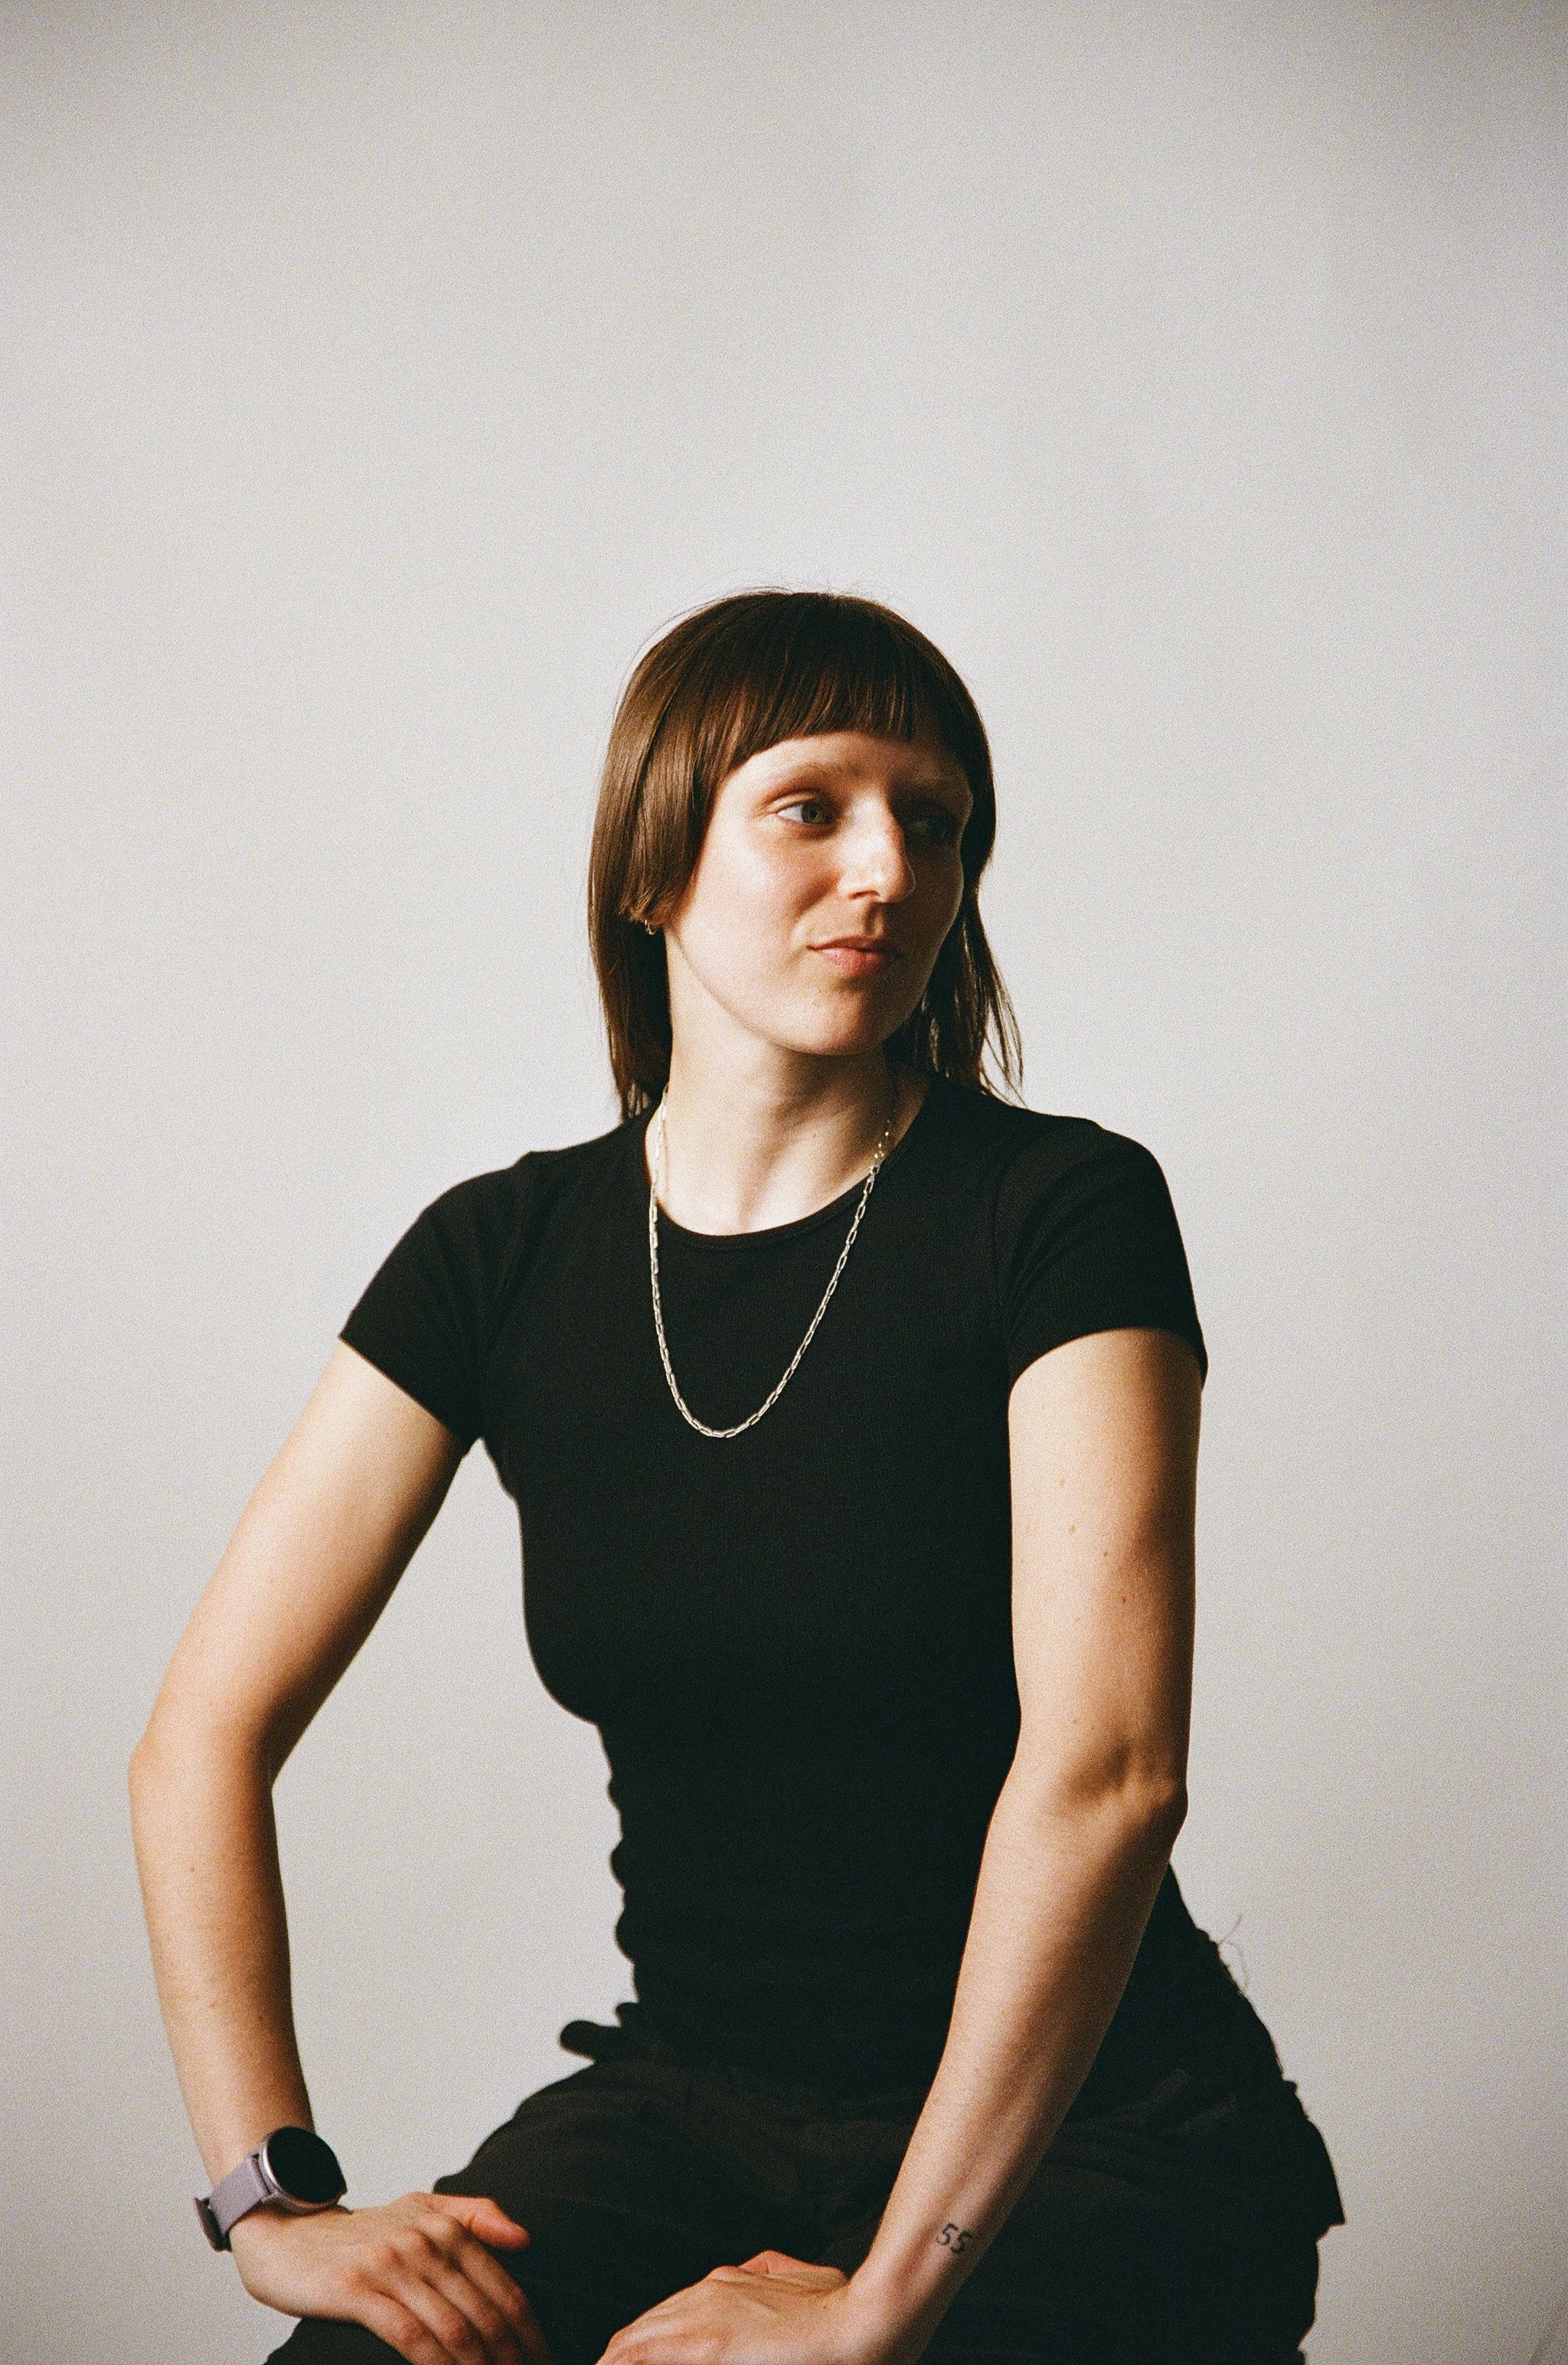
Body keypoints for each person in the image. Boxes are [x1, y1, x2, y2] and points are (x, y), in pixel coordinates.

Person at [130, 590, 1344, 2365]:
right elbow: (198, 1742)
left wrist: (881, 2305)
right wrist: (272, 2201)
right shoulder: (501, 1254)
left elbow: (1109, 1775)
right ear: (653, 860)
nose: (891, 869)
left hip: (1090, 2132)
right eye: (814, 805)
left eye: (934, 821)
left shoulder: (1061, 1213)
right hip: (686, 2109)